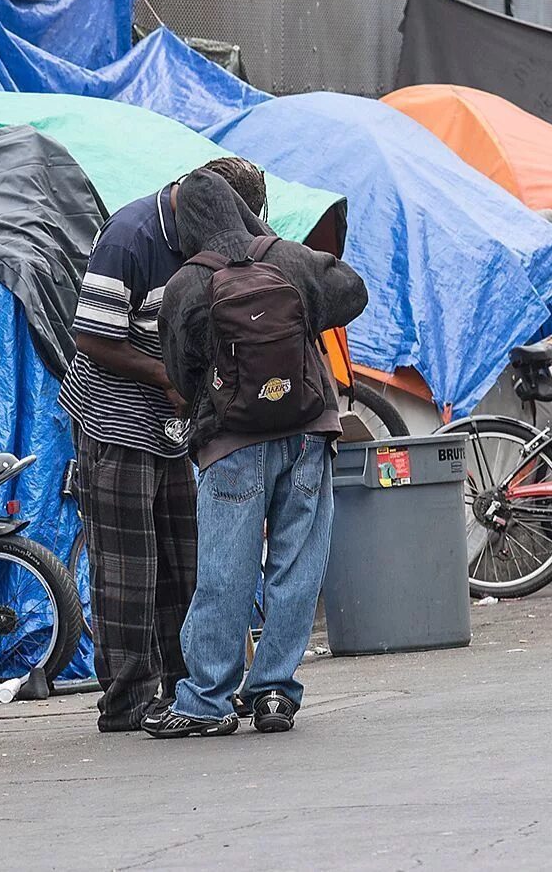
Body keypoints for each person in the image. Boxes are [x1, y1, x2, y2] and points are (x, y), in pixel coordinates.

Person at [143, 168, 367, 737]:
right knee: (295, 564)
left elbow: (179, 370)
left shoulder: (187, 285)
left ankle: (207, 702)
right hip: (308, 430)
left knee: (224, 570)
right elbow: (354, 292)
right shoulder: (289, 258)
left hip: (232, 442)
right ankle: (273, 694)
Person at [59, 156, 271, 732]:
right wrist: (168, 378)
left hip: (172, 422)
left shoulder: (207, 239)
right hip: (115, 417)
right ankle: (127, 702)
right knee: (131, 567)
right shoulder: (131, 235)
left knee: (187, 559)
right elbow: (92, 338)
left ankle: (191, 691)